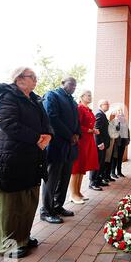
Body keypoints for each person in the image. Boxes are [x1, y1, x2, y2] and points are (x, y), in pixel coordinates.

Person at [0, 67, 52, 259]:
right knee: (11, 204)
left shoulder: (35, 99)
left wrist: (48, 135)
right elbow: (9, 124)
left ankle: (22, 237)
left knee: (27, 200)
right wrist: (36, 138)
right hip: (12, 157)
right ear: (20, 79)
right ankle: (6, 244)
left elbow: (46, 121)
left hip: (32, 157)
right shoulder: (6, 97)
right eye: (33, 77)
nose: (36, 81)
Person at [41, 77, 81, 224]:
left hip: (70, 147)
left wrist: (77, 134)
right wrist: (69, 135)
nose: (73, 87)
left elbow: (77, 121)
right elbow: (52, 118)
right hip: (57, 145)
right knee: (51, 180)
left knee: (64, 179)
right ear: (62, 83)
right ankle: (46, 210)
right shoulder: (52, 95)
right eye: (71, 84)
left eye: (75, 85)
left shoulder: (72, 100)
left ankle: (58, 206)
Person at [69, 90, 99, 204]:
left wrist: (93, 130)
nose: (90, 97)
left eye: (91, 95)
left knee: (82, 167)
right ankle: (73, 194)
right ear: (81, 97)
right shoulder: (80, 108)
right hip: (82, 140)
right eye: (88, 95)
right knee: (77, 167)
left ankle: (78, 192)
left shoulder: (88, 109)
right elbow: (77, 125)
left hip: (88, 140)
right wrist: (89, 130)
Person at [89, 99, 110, 191]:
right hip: (100, 144)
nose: (108, 106)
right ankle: (93, 182)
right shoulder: (99, 114)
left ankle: (98, 180)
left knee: (101, 163)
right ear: (101, 105)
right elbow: (96, 129)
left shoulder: (103, 114)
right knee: (96, 163)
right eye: (106, 104)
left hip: (104, 143)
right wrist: (99, 143)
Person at [112, 108, 129, 178]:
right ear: (116, 113)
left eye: (121, 111)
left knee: (120, 158)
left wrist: (127, 141)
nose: (120, 112)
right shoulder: (114, 121)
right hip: (116, 143)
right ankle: (112, 172)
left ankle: (119, 172)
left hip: (123, 142)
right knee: (115, 158)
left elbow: (128, 131)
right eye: (119, 111)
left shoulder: (124, 121)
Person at [104, 111, 120, 182]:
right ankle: (105, 176)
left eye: (114, 116)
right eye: (112, 116)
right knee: (106, 160)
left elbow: (117, 130)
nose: (113, 117)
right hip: (108, 143)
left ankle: (108, 175)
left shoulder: (113, 122)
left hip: (113, 143)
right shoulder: (108, 122)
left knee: (110, 160)